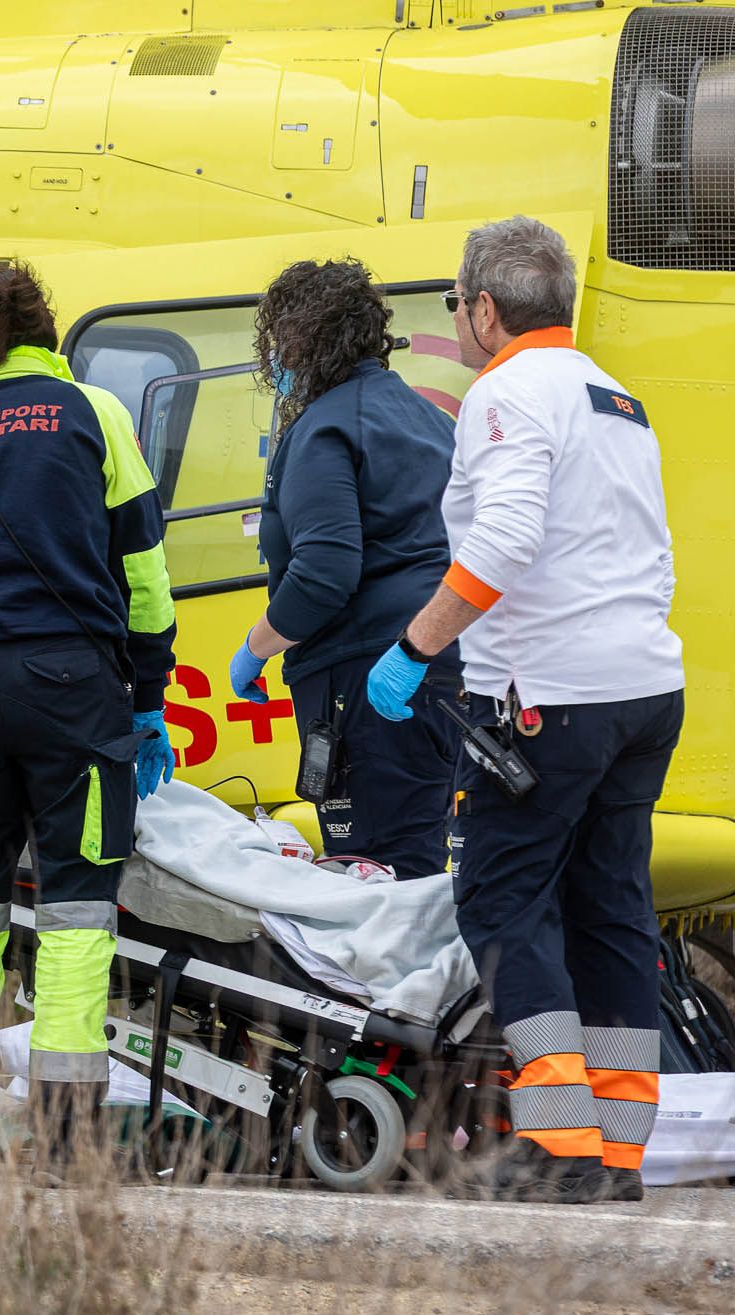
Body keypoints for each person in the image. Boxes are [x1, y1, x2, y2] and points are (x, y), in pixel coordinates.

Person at [366, 216, 684, 1204]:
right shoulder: (614, 396)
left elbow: (504, 540)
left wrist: (415, 646)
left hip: (553, 696)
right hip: (645, 688)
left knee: (503, 900)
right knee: (611, 907)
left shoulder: (505, 393)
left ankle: (560, 1144)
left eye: (456, 307)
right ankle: (620, 1152)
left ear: (486, 310)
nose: (457, 323)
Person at [0, 262, 177, 1181]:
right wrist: (148, 701)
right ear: (44, 334)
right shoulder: (94, 417)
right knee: (72, 910)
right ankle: (65, 1141)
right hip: (71, 688)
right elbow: (143, 575)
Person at [228, 259, 460, 877]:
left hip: (363, 680)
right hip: (438, 666)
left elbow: (325, 573)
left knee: (378, 870)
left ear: (300, 341)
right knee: (425, 857)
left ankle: (392, 977)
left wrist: (256, 647)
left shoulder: (323, 428)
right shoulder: (431, 420)